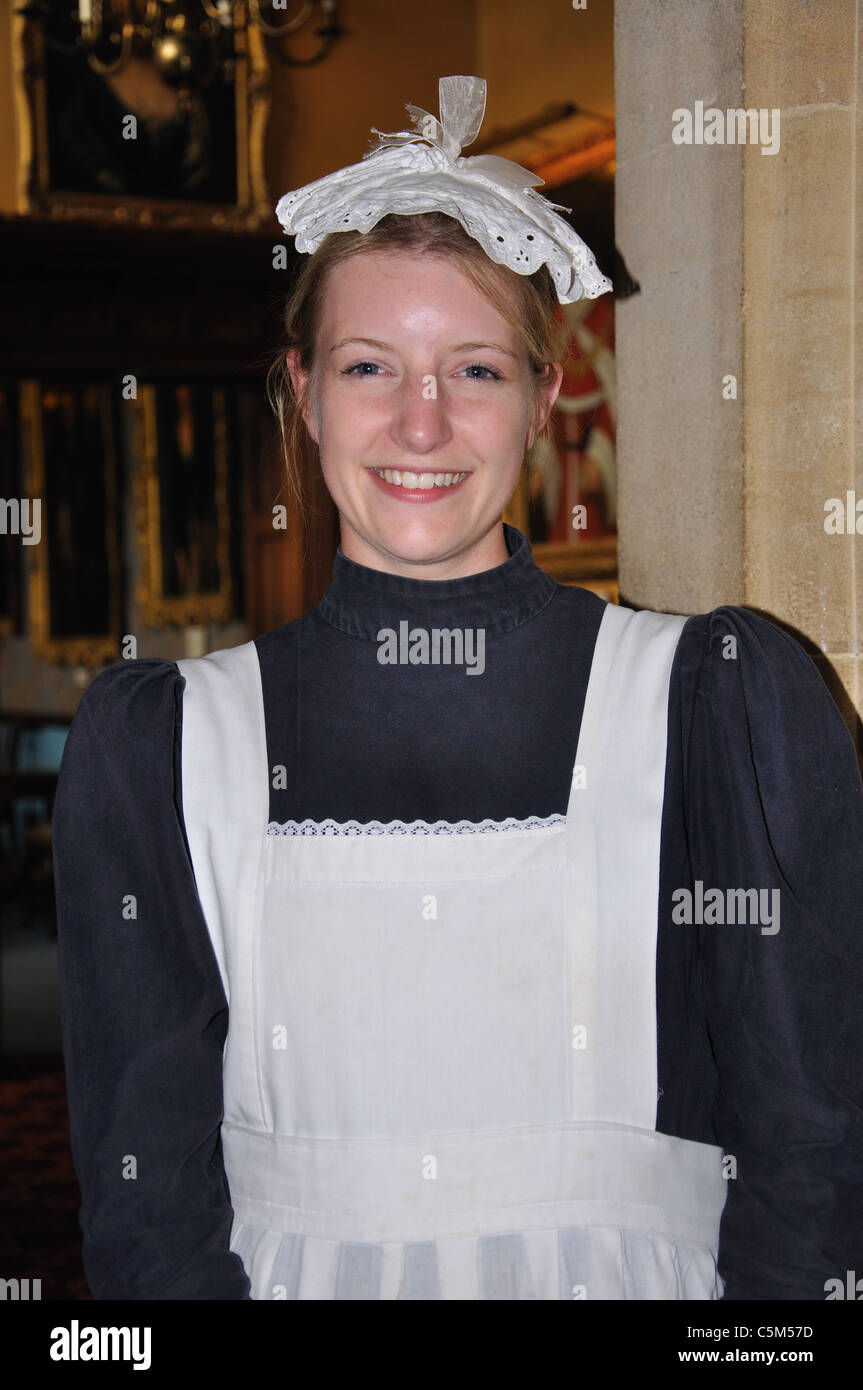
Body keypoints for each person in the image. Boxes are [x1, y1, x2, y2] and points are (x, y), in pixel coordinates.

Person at [53, 76, 863, 1301]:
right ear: (302, 390)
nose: (419, 424)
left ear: (543, 398)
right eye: (371, 365)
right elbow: (142, 1198)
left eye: (473, 371)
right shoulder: (163, 743)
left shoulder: (711, 703)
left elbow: (809, 1158)